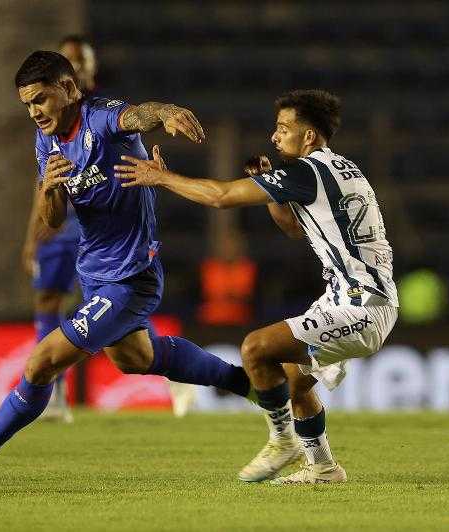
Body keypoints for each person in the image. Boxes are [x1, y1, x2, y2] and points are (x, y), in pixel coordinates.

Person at [0, 51, 258, 478]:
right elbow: (52, 220)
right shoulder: (44, 142)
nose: (34, 112)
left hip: (130, 276)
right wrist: (50, 188)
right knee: (136, 359)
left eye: (41, 100)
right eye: (27, 104)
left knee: (40, 363)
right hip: (95, 274)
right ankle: (253, 385)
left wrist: (168, 112)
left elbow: (140, 115)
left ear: (68, 89)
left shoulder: (100, 119)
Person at [115, 89, 399, 484]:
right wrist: (270, 188)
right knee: (296, 381)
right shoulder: (340, 169)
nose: (275, 136)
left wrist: (160, 177)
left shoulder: (307, 172)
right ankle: (323, 468)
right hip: (345, 298)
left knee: (256, 348)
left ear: (310, 137)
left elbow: (221, 197)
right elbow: (293, 229)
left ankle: (283, 440)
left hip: (363, 306)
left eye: (284, 129)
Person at [21, 36, 99, 423]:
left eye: (79, 61)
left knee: (110, 307)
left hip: (96, 232)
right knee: (47, 301)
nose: (75, 67)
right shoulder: (47, 120)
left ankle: (168, 364)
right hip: (58, 230)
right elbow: (43, 182)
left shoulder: (104, 115)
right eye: (67, 61)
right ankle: (54, 392)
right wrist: (30, 238)